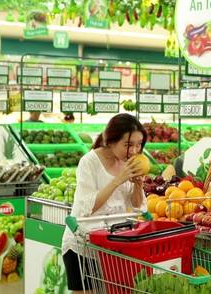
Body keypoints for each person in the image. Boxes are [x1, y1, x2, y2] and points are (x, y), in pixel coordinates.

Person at [61, 113, 149, 293]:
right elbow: (88, 206)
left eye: (138, 145)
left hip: (113, 245)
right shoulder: (89, 162)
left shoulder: (129, 163)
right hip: (83, 243)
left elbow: (136, 207)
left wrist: (138, 187)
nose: (133, 151)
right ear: (111, 141)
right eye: (128, 145)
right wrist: (118, 179)